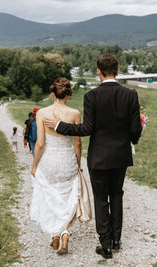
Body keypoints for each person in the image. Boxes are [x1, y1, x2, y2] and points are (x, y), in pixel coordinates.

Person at [45, 55, 142, 259]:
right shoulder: (131, 95)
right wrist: (133, 138)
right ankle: (116, 240)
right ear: (118, 71)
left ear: (98, 72)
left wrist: (60, 126)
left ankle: (105, 244)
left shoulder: (91, 96)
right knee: (117, 195)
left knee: (101, 198)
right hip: (120, 156)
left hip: (98, 157)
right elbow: (135, 129)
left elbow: (87, 129)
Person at [30, 78, 83, 255]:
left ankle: (55, 235)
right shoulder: (75, 113)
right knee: (67, 196)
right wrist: (78, 163)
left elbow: (39, 144)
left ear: (52, 94)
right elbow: (78, 143)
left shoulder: (42, 113)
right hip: (67, 158)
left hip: (49, 160)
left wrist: (35, 164)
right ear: (68, 94)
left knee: (50, 195)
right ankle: (64, 232)